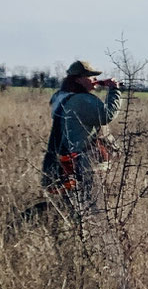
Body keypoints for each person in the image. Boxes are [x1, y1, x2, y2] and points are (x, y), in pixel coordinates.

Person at [41, 59, 120, 211]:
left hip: (66, 158)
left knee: (72, 200)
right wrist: (114, 91)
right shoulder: (81, 100)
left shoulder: (60, 96)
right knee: (91, 204)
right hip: (84, 160)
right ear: (78, 79)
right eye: (90, 76)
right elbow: (106, 115)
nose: (94, 79)